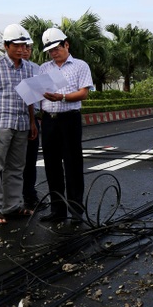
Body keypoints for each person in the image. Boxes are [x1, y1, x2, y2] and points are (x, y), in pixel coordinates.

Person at [0, 24, 36, 225]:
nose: (21, 49)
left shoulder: (29, 67)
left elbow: (30, 97)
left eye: (24, 45)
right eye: (16, 45)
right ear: (6, 45)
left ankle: (12, 206)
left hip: (22, 123)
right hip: (1, 123)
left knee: (17, 167)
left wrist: (32, 121)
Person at [37, 27, 93, 223]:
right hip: (49, 119)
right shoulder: (44, 68)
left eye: (57, 48)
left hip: (69, 118)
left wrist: (62, 97)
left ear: (66, 44)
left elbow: (83, 93)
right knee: (52, 165)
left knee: (73, 164)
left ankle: (76, 210)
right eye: (50, 50)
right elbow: (38, 92)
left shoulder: (80, 66)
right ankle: (57, 210)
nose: (54, 53)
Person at [20, 41, 43, 213]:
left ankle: (30, 196)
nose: (25, 51)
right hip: (12, 119)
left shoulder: (37, 69)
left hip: (32, 118)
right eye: (22, 47)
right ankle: (8, 200)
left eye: (28, 48)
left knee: (30, 160)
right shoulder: (4, 67)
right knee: (10, 163)